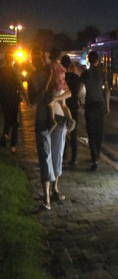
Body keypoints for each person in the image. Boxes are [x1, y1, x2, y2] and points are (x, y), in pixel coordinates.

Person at [28, 46, 70, 211]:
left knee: (57, 153)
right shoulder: (33, 77)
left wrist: (55, 97)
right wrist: (44, 91)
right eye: (34, 57)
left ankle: (55, 189)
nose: (37, 59)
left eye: (39, 56)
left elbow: (67, 93)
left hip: (58, 117)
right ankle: (46, 198)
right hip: (42, 119)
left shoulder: (54, 72)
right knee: (45, 156)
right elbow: (33, 100)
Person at [80, 51, 110, 170]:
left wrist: (81, 101)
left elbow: (80, 89)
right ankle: (97, 153)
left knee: (91, 132)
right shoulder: (102, 73)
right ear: (97, 60)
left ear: (89, 60)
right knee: (99, 131)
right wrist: (107, 106)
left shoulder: (85, 73)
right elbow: (107, 90)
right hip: (100, 104)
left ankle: (94, 158)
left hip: (89, 104)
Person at [0, 51, 27, 153]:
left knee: (7, 118)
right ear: (11, 60)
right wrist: (26, 97)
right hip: (13, 98)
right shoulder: (14, 71)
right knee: (15, 122)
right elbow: (20, 84)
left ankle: (5, 135)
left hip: (3, 99)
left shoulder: (1, 70)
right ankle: (13, 145)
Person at [46, 48, 76, 133]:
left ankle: (52, 121)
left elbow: (50, 76)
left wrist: (47, 85)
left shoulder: (51, 65)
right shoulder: (61, 66)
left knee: (50, 104)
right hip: (63, 87)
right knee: (64, 105)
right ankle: (70, 119)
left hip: (56, 87)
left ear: (51, 56)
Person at [61, 55, 82, 166]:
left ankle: (63, 154)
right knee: (74, 133)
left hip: (62, 106)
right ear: (69, 65)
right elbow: (79, 92)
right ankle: (74, 158)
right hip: (73, 106)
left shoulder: (60, 77)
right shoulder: (76, 78)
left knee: (62, 131)